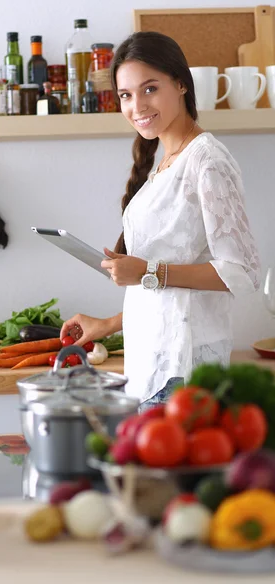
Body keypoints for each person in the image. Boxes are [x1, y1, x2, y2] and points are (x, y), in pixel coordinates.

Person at [60, 31, 261, 410]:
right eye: (125, 95)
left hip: (182, 375)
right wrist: (106, 324)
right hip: (152, 368)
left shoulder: (208, 162)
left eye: (150, 89)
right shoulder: (166, 163)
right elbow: (171, 298)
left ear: (181, 83)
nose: (137, 105)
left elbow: (242, 272)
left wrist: (148, 271)